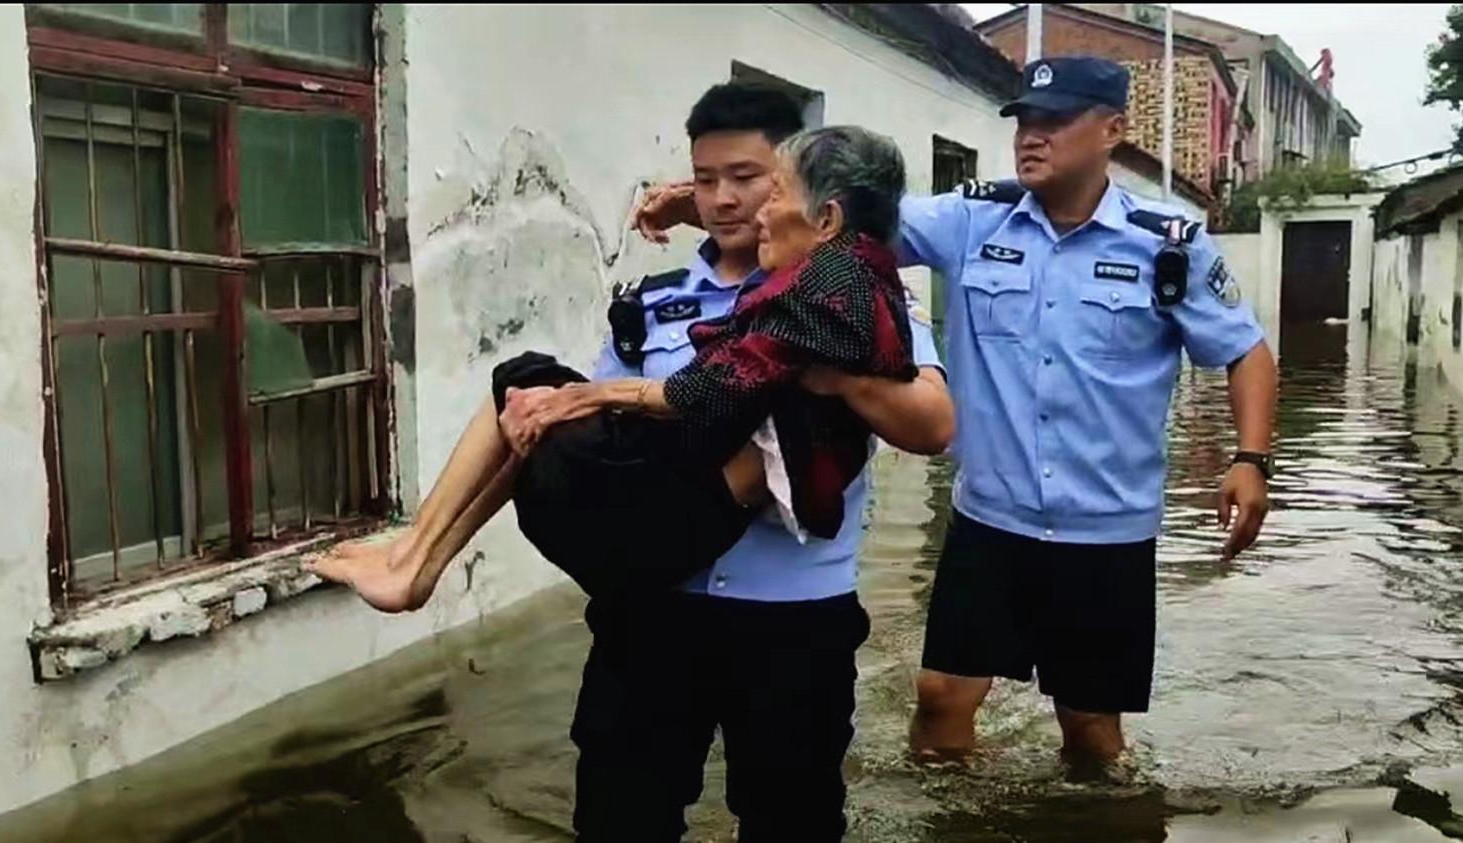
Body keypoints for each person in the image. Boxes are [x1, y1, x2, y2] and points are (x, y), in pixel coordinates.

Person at [319, 84, 954, 841]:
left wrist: (835, 376)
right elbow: (613, 425)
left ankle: (415, 561)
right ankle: (416, 559)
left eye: (751, 179)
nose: (726, 199)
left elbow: (932, 423)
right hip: (655, 609)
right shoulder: (656, 300)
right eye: (704, 179)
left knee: (793, 822)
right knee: (621, 819)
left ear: (801, 194)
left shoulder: (849, 293)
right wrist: (567, 411)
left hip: (791, 619)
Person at [633, 58, 1278, 771]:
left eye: (1055, 121)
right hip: (990, 522)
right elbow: (832, 215)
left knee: (1091, 729)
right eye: (1024, 121)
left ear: (1112, 130)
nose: (1031, 136)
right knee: (940, 700)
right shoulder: (971, 220)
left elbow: (1246, 351)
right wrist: (700, 207)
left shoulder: (1167, 245)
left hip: (1107, 531)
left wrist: (1250, 460)